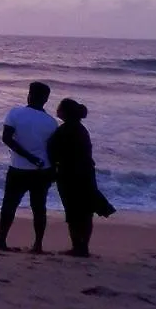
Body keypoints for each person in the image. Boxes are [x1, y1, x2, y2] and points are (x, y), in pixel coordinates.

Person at [0, 82, 58, 254]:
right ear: (46, 99)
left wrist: (28, 156)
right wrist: (53, 170)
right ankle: (38, 245)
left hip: (18, 168)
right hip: (42, 170)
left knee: (9, 205)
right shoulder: (51, 122)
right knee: (39, 207)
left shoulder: (15, 113)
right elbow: (52, 150)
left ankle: (1, 240)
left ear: (29, 94)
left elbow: (7, 138)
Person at [48, 99, 115, 258]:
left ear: (64, 112)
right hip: (85, 173)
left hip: (69, 174)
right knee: (85, 211)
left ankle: (77, 246)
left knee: (73, 212)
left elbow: (53, 151)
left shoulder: (64, 130)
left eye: (59, 108)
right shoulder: (81, 129)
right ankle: (83, 247)